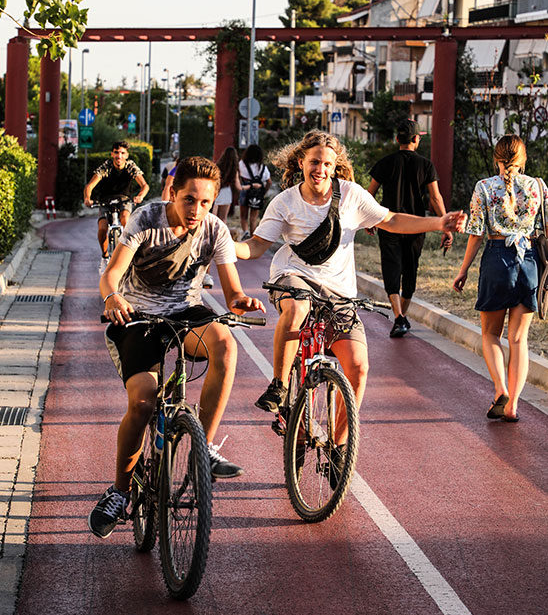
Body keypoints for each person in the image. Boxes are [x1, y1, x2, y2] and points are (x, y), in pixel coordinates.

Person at [234, 131, 465, 444]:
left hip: (339, 292)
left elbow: (391, 220)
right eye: (314, 162)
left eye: (327, 164)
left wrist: (439, 223)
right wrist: (228, 246)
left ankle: (339, 446)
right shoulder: (285, 202)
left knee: (358, 367)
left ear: (335, 166)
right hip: (294, 276)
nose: (320, 169)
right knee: (298, 306)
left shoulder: (351, 195)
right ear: (301, 162)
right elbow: (257, 245)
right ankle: (280, 385)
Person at [89, 156, 265, 539]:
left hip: (185, 312)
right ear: (173, 192)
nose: (196, 210)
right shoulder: (146, 219)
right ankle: (119, 492)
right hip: (137, 316)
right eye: (189, 199)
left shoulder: (215, 229)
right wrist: (112, 297)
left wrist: (242, 301)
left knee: (225, 343)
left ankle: (205, 449)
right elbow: (112, 274)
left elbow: (233, 292)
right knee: (143, 402)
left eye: (205, 202)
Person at [453, 135, 548, 423]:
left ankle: (500, 390)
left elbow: (476, 233)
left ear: (497, 159)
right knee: (518, 339)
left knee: (491, 334)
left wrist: (463, 270)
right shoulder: (538, 187)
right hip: (529, 262)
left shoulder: (484, 187)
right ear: (523, 159)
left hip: (497, 259)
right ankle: (513, 406)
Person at [367, 119, 452, 338]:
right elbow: (435, 197)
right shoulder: (426, 165)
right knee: (410, 270)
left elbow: (369, 195)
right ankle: (400, 317)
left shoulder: (385, 163)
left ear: (397, 139)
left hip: (388, 224)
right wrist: (445, 226)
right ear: (416, 139)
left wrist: (370, 219)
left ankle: (399, 318)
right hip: (416, 227)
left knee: (391, 270)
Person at [83, 141, 149, 273]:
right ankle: (105, 257)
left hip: (124, 200)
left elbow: (144, 185)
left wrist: (140, 196)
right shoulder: (106, 167)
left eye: (123, 153)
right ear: (112, 154)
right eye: (116, 153)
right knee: (102, 228)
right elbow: (89, 186)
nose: (119, 156)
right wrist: (87, 198)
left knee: (125, 219)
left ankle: (130, 250)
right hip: (106, 201)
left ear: (127, 155)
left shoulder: (130, 167)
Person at [239, 144, 271, 239]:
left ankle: (246, 232)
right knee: (253, 218)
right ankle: (253, 238)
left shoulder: (242, 164)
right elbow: (269, 182)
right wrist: (263, 192)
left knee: (243, 216)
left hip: (245, 190)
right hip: (257, 193)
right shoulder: (263, 168)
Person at [214, 147, 241, 224]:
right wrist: (249, 187)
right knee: (223, 219)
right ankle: (221, 232)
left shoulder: (217, 167)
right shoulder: (234, 171)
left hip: (217, 192)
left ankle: (210, 231)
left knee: (213, 217)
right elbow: (238, 187)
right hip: (227, 193)